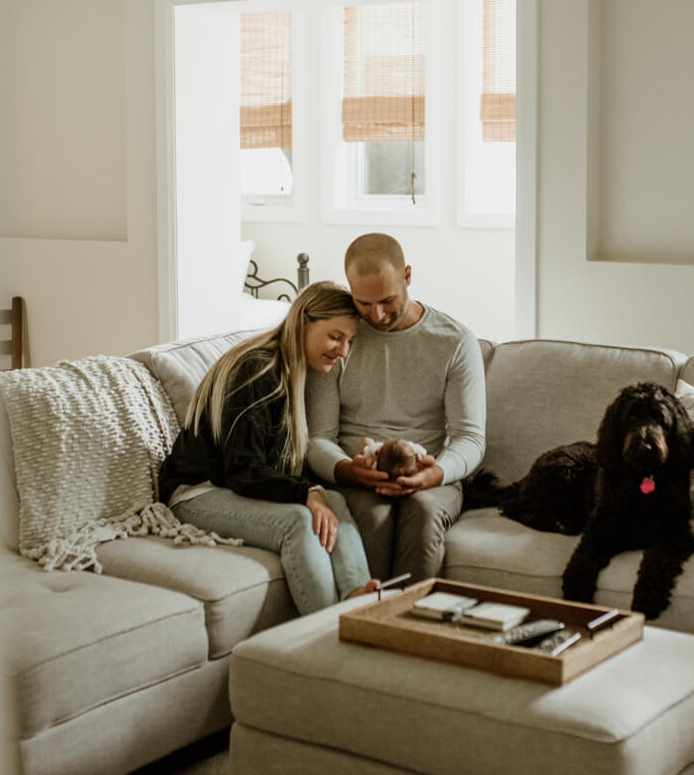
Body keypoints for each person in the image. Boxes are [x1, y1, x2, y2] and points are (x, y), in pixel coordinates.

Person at [159, 281, 380, 614]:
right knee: (297, 520)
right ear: (304, 321)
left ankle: (356, 601)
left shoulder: (291, 371)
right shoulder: (258, 369)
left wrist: (320, 489)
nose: (344, 351)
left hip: (227, 487)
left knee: (333, 499)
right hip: (195, 494)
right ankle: (326, 628)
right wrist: (308, 492)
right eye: (336, 337)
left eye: (350, 341)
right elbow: (242, 470)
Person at [305, 234, 486, 581]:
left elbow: (470, 438)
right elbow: (319, 437)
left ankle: (409, 629)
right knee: (371, 520)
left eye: (387, 300)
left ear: (407, 275)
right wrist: (347, 470)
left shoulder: (455, 341)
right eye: (363, 303)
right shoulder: (340, 337)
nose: (377, 315)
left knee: (422, 517)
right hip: (356, 472)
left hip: (431, 474)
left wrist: (436, 473)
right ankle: (363, 625)